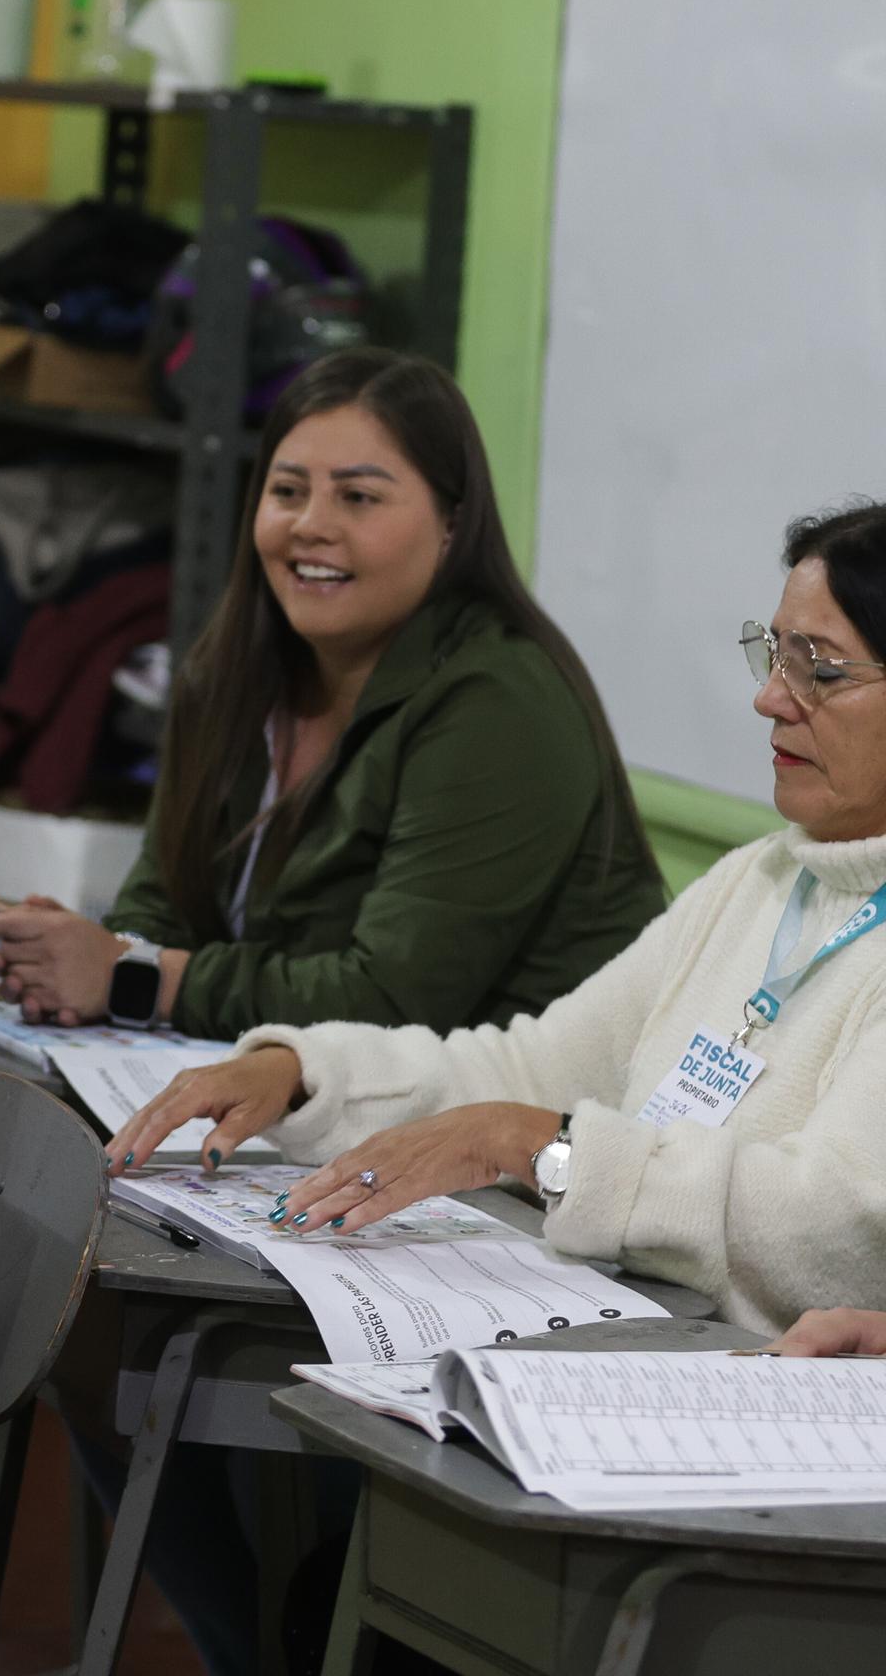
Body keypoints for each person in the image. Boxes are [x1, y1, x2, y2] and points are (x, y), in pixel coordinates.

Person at [111, 499, 886, 1338]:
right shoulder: (766, 878)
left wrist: (541, 1149)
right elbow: (536, 1068)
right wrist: (307, 1072)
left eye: (823, 671)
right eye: (774, 656)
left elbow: (838, 1227)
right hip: (641, 1330)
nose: (772, 699)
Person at [0, 346, 664, 1042]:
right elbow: (159, 910)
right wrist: (81, 962)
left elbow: (389, 1003)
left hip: (510, 1122)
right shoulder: (226, 673)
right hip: (298, 1090)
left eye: (358, 497)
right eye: (286, 492)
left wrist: (136, 977)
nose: (310, 524)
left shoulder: (498, 702)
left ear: (453, 526)